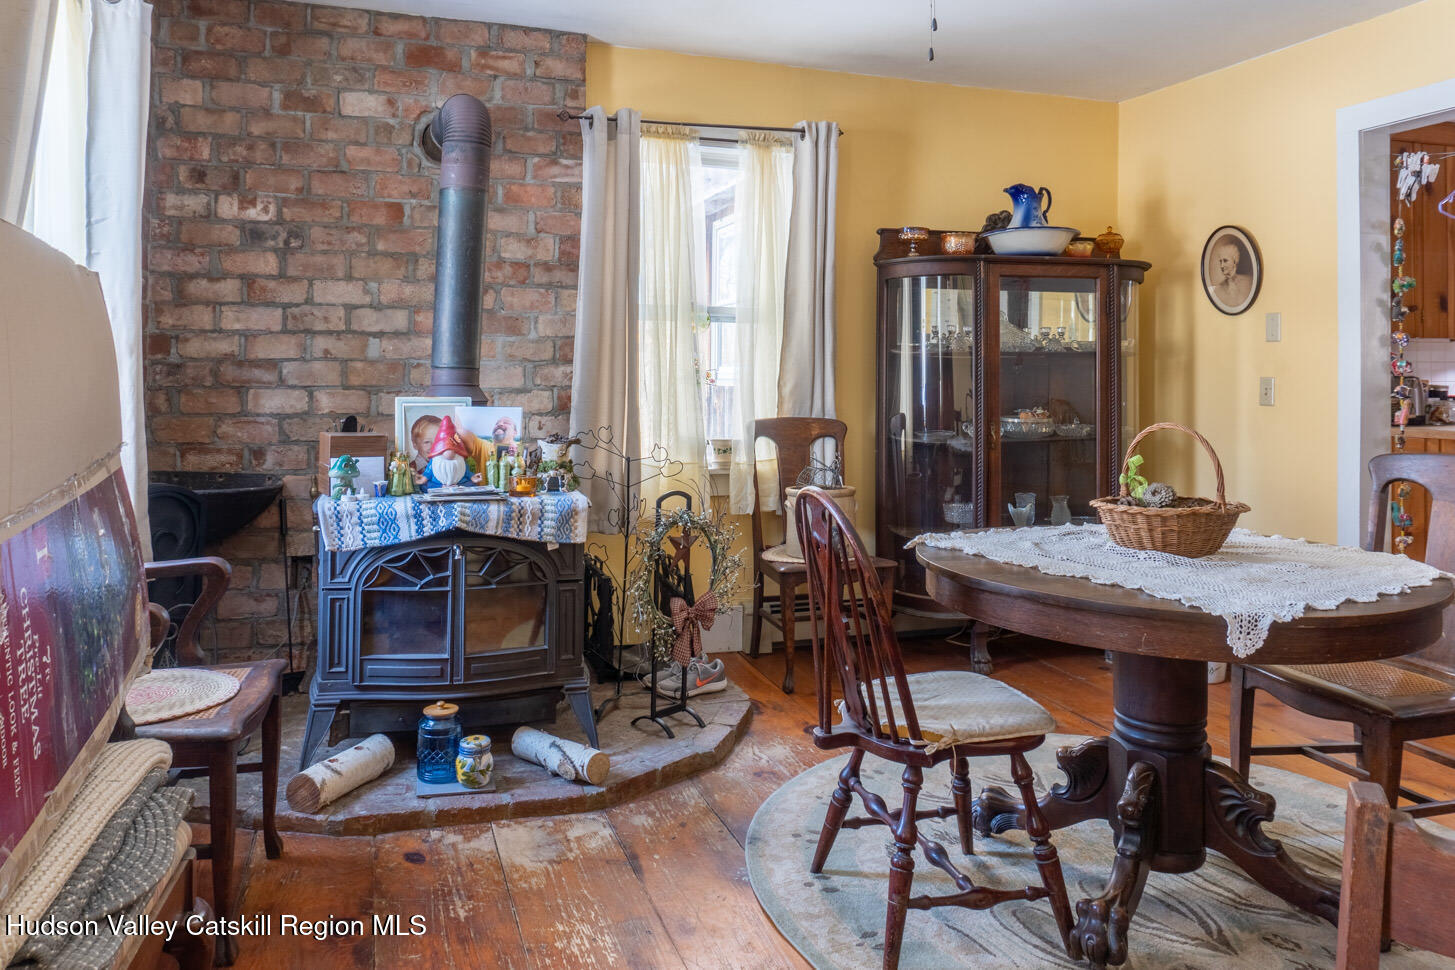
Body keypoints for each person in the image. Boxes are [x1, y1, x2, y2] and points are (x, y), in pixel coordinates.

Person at [416, 416, 483, 491]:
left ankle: (457, 487)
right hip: (438, 485)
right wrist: (423, 479)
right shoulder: (435, 461)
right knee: (425, 486)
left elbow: (466, 471)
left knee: (472, 484)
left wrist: (472, 477)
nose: (450, 453)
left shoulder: (460, 460)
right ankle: (442, 487)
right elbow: (428, 473)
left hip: (459, 484)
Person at [1210, 238, 1253, 309]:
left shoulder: (1248, 282)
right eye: (1220, 261)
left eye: (1225, 260)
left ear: (1234, 261)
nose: (1222, 265)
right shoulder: (1218, 289)